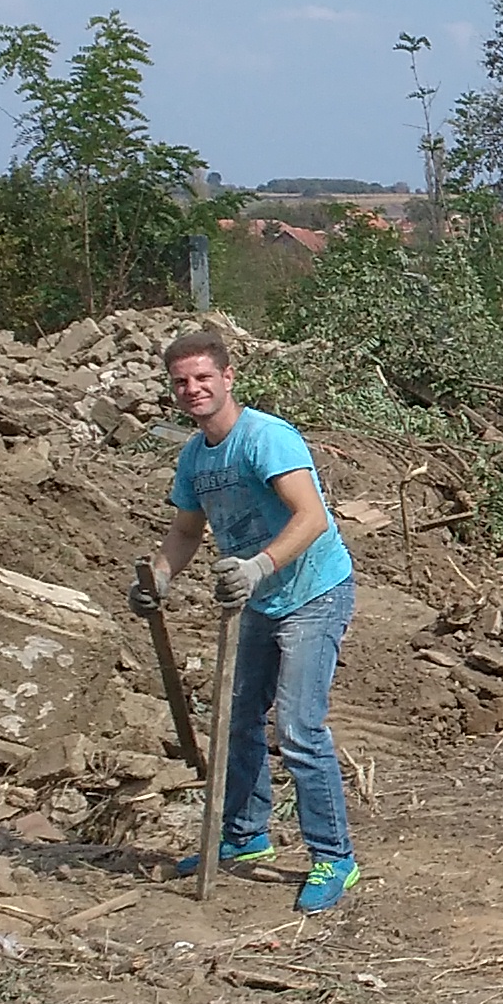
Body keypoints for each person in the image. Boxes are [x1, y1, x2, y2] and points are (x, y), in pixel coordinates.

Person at [132, 326, 362, 912]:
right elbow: (186, 533)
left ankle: (334, 856)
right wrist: (158, 578)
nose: (193, 390)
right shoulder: (193, 457)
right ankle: (245, 837)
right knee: (237, 720)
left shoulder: (266, 439)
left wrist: (259, 566)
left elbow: (311, 518)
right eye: (182, 382)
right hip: (257, 600)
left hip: (313, 590)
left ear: (228, 378)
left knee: (299, 727)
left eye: (204, 378)